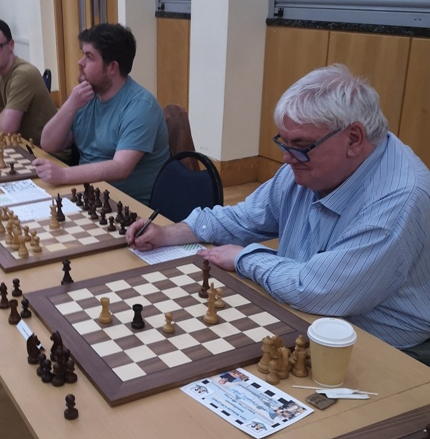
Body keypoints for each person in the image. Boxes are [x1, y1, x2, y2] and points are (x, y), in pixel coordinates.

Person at [126, 64, 430, 364]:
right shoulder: (308, 165)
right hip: (303, 313)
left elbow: (315, 290)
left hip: (386, 349)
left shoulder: (399, 200)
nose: (286, 158)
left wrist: (243, 257)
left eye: (300, 145)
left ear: (353, 139)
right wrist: (170, 233)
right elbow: (246, 218)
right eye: (284, 142)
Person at [34, 23, 169, 205]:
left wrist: (63, 174)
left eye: (89, 57)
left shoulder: (141, 107)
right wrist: (70, 105)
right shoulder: (85, 96)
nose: (80, 62)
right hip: (88, 195)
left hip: (128, 207)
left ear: (112, 67)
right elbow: (49, 144)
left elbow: (120, 167)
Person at [0, 18, 57, 147]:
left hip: (48, 153)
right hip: (28, 146)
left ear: (11, 45)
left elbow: (8, 129)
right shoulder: (6, 73)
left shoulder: (22, 75)